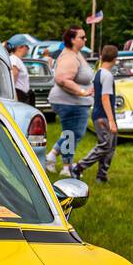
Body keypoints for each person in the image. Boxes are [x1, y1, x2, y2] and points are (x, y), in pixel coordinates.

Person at [44, 26, 94, 177]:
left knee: (72, 134)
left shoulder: (75, 54)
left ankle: (52, 157)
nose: (85, 39)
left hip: (74, 102)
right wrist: (82, 92)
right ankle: (67, 168)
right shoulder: (69, 57)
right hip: (69, 102)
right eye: (82, 37)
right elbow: (62, 79)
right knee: (72, 135)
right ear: (72, 40)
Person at [73, 45, 119, 183]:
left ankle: (102, 176)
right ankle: (79, 167)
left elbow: (95, 90)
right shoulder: (107, 75)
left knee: (110, 146)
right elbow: (105, 98)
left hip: (99, 114)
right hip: (103, 115)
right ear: (115, 59)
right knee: (105, 145)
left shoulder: (99, 72)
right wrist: (111, 121)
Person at [8, 40, 32, 106]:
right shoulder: (14, 59)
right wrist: (15, 100)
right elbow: (13, 81)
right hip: (19, 96)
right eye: (27, 46)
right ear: (20, 47)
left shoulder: (17, 60)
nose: (28, 49)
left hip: (23, 96)